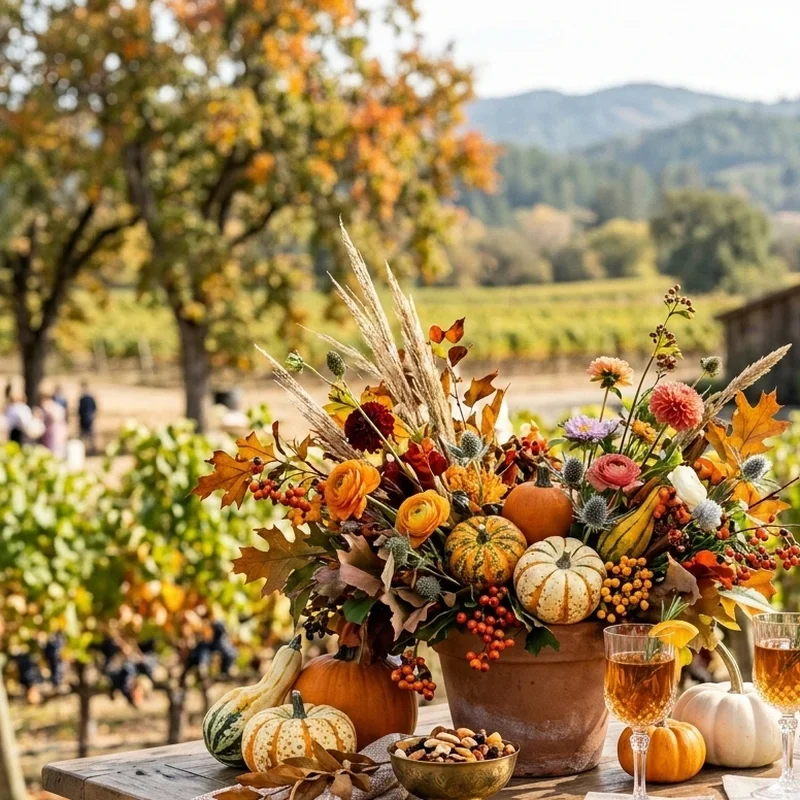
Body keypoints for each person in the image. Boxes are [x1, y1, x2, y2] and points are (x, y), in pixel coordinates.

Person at [41, 392, 68, 458]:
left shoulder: (49, 406)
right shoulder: (57, 406)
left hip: (54, 430)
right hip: (56, 429)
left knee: (54, 447)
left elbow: (54, 417)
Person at [78, 381, 98, 454]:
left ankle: (92, 450)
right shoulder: (81, 398)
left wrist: (92, 416)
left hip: (89, 419)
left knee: (90, 436)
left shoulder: (90, 398)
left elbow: (94, 408)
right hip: (83, 419)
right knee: (83, 436)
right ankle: (84, 450)